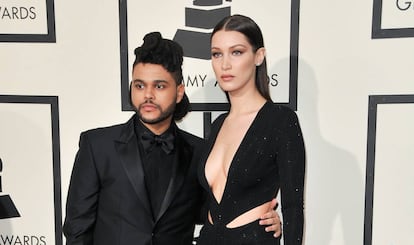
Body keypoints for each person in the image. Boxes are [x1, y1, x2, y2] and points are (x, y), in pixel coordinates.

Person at [63, 31, 281, 245]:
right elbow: (77, 229)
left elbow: (216, 214)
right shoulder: (98, 146)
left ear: (178, 92)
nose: (148, 95)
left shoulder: (199, 151)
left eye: (159, 86)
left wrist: (261, 219)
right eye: (139, 85)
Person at [197, 15, 305, 245]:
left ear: (258, 56)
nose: (225, 64)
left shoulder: (281, 121)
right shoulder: (218, 125)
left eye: (236, 52)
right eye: (217, 54)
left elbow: (293, 206)